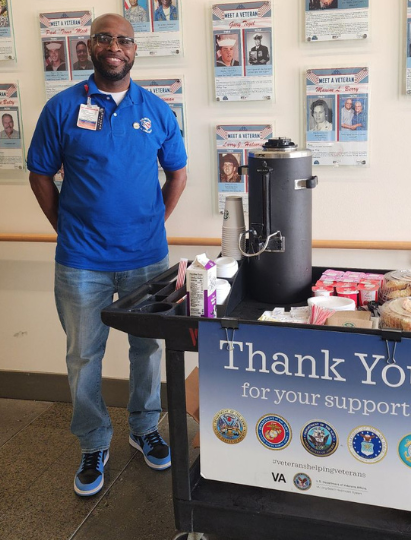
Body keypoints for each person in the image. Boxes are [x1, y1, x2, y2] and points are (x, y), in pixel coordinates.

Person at [26, 13, 187, 498]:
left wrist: (154, 224)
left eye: (123, 40)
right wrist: (64, 227)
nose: (114, 46)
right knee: (83, 356)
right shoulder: (61, 108)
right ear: (89, 47)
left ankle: (143, 428)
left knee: (147, 349)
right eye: (104, 38)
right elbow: (39, 174)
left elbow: (177, 173)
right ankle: (93, 442)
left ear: (134, 50)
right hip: (80, 261)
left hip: (146, 259)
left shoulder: (157, 110)